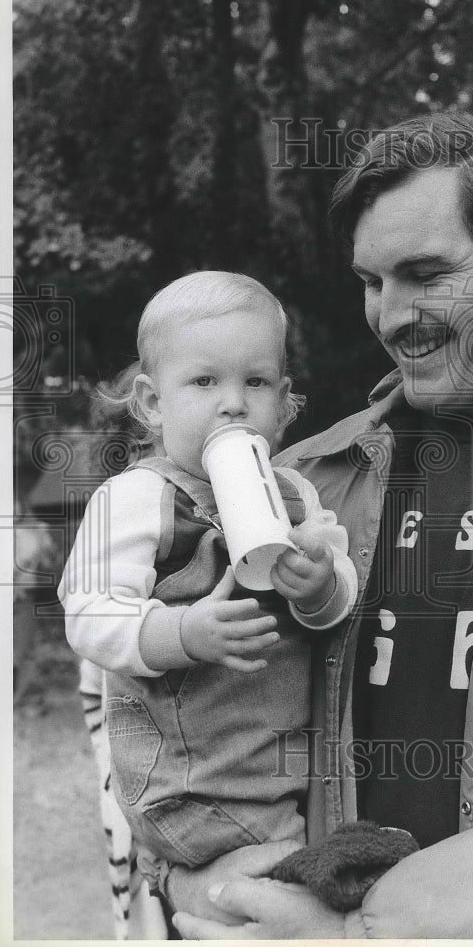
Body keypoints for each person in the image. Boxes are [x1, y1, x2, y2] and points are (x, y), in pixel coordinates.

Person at [162, 112, 473, 940]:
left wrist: (366, 935)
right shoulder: (301, 488)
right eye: (371, 281)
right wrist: (198, 867)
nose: (392, 317)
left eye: (425, 274)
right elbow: (184, 705)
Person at [59, 272, 358, 896]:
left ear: (285, 400)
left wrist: (318, 587)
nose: (233, 402)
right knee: (287, 890)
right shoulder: (138, 498)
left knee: (308, 868)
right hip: (185, 784)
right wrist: (182, 633)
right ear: (152, 402)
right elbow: (87, 613)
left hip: (277, 773)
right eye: (204, 381)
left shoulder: (296, 496)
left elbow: (338, 606)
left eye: (255, 382)